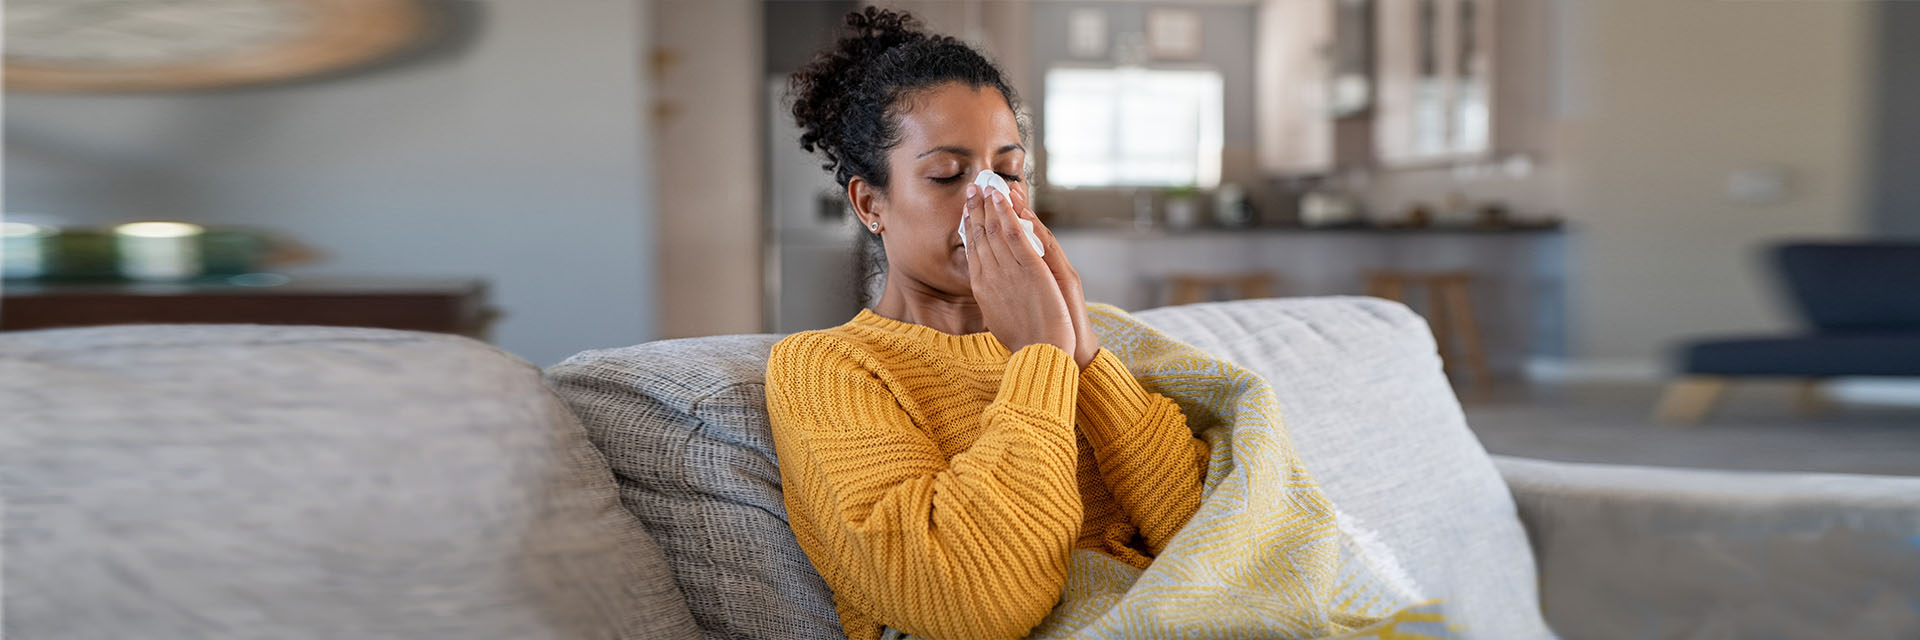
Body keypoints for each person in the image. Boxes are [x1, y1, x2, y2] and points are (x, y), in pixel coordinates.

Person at [765, 8, 1208, 640]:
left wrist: (1084, 355)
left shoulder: (1083, 334)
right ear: (870, 203)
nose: (991, 198)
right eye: (948, 175)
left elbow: (1215, 541)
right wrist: (1043, 357)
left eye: (1009, 172)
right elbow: (975, 602)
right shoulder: (827, 370)